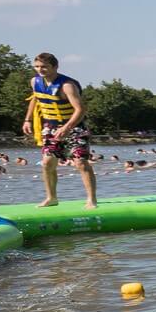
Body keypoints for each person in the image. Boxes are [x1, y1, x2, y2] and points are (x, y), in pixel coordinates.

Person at [23, 53, 96, 208]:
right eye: (36, 66)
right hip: (50, 127)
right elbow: (35, 99)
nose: (40, 70)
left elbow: (81, 109)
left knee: (81, 162)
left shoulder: (67, 85)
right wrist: (27, 120)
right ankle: (51, 198)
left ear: (55, 67)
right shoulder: (34, 81)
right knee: (47, 163)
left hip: (75, 126)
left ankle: (91, 200)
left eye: (44, 66)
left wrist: (67, 127)